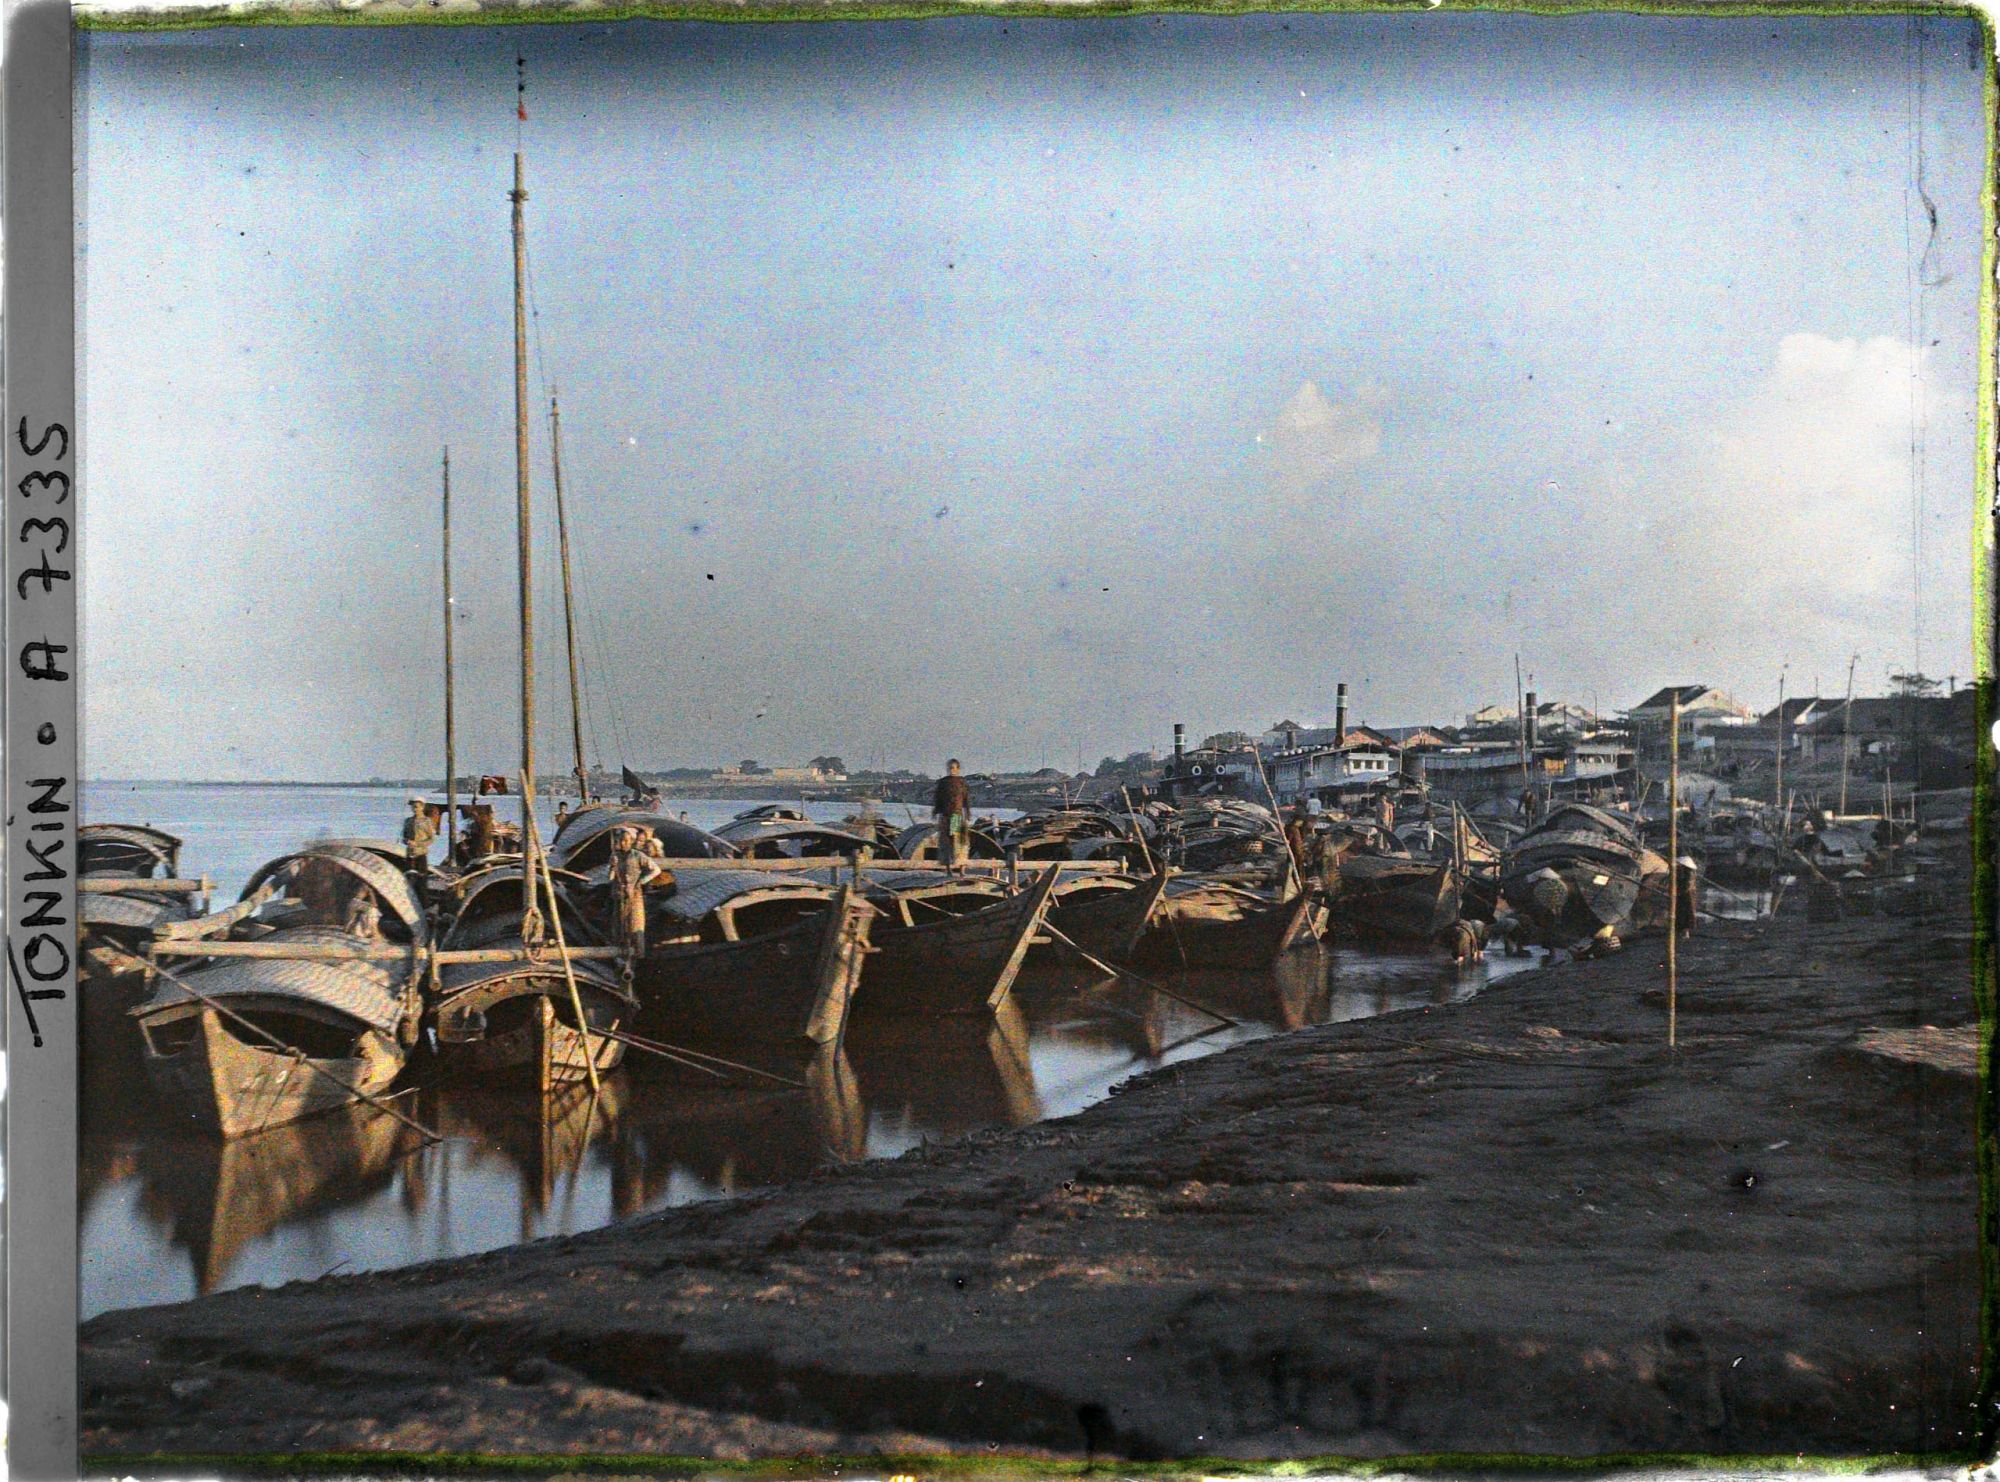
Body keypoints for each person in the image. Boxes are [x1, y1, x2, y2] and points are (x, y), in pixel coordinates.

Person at [611, 826, 667, 955]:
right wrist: (613, 868)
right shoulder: (616, 856)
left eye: (626, 840)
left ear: (631, 841)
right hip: (620, 895)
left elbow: (655, 869)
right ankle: (620, 953)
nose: (623, 843)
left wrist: (640, 882)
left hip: (634, 895)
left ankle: (639, 954)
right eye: (621, 840)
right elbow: (611, 877)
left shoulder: (637, 855)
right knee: (620, 925)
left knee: (636, 925)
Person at [932, 758, 971, 874]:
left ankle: (961, 868)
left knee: (959, 842)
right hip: (945, 815)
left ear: (958, 769)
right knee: (946, 843)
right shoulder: (943, 782)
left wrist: (967, 814)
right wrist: (935, 811)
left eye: (954, 768)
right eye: (950, 768)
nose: (952, 770)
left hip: (957, 816)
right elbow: (938, 798)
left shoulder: (962, 782)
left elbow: (966, 799)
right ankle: (948, 868)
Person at [401, 798, 438, 885]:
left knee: (421, 881)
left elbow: (431, 839)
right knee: (408, 879)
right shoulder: (408, 821)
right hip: (409, 854)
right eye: (413, 807)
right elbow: (403, 837)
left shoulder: (427, 821)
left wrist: (417, 843)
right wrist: (407, 841)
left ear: (422, 807)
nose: (414, 809)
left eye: (416, 807)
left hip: (421, 854)